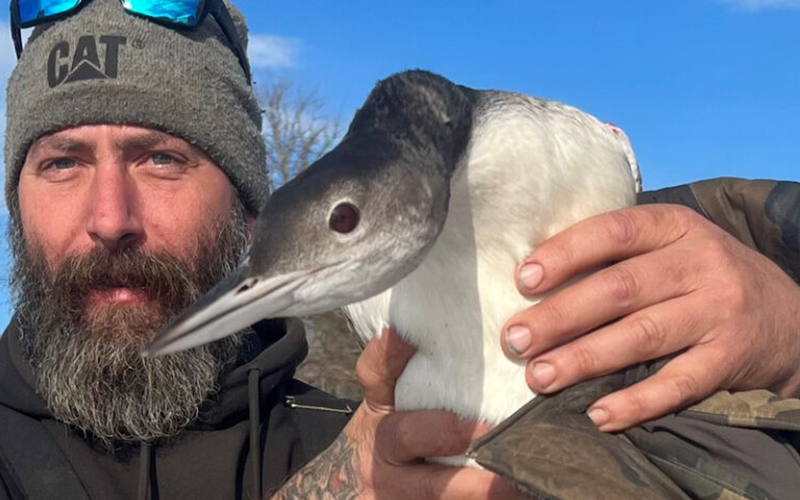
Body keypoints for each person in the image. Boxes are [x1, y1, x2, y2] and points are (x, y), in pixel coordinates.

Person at [0, 2, 797, 500]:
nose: (110, 217)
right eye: (61, 162)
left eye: (160, 158)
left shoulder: (381, 424)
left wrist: (789, 344)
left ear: (248, 206)